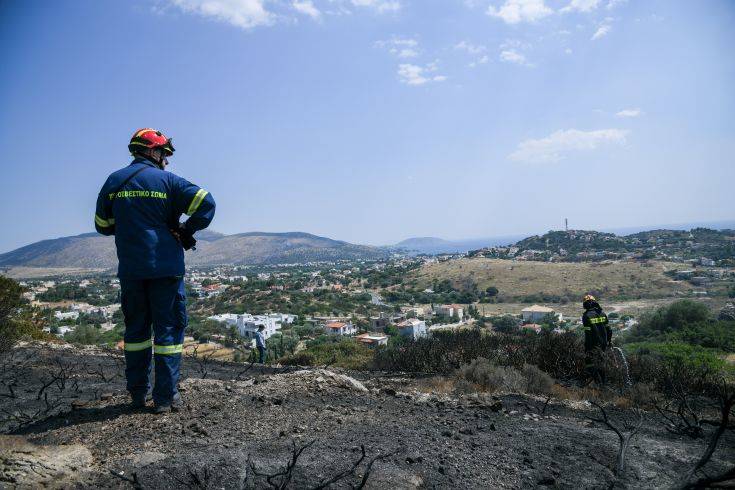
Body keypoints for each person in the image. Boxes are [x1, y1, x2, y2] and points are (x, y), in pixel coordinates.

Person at [95, 128, 216, 413]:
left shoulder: (114, 182)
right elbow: (206, 202)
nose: (166, 160)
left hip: (132, 272)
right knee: (169, 335)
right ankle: (165, 398)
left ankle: (137, 395)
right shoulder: (169, 181)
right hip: (166, 270)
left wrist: (128, 227)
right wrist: (186, 229)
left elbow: (102, 225)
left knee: (136, 333)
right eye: (164, 154)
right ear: (152, 151)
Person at [581, 294, 612, 384]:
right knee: (601, 362)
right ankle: (603, 383)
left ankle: (596, 383)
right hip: (603, 344)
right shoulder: (602, 313)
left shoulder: (586, 316)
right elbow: (609, 329)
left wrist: (587, 347)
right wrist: (609, 341)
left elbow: (588, 333)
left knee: (590, 363)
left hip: (593, 344)